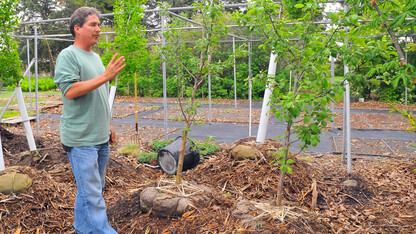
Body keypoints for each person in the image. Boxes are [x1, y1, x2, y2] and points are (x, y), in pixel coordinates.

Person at [54, 6, 125, 233]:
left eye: (98, 25)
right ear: (77, 28)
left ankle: (82, 228)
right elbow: (70, 91)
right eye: (93, 25)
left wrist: (109, 125)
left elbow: (100, 94)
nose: (98, 29)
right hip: (81, 138)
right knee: (92, 193)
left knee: (91, 189)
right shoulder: (68, 55)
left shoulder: (95, 57)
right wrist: (106, 76)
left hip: (100, 135)